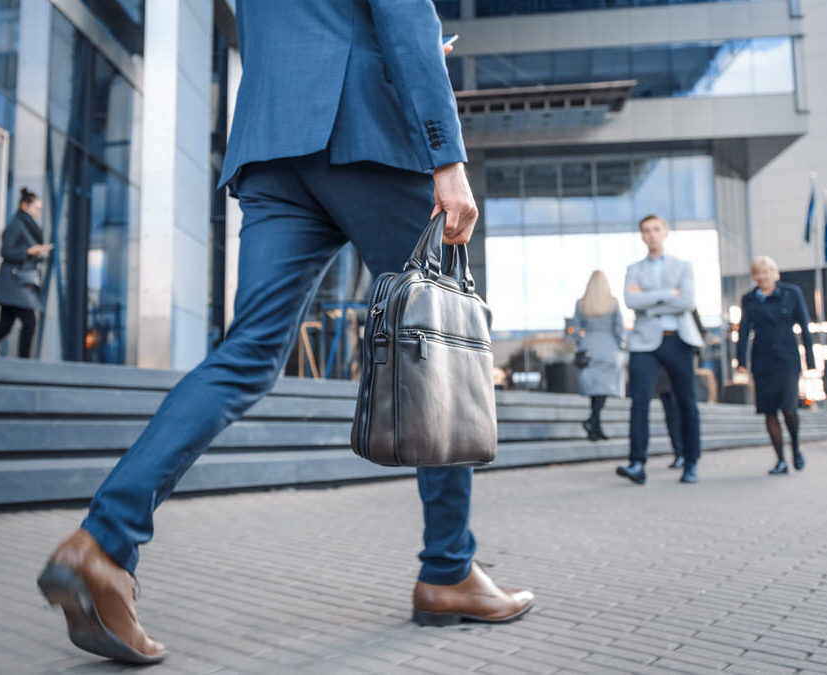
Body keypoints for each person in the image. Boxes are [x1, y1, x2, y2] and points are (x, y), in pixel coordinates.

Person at [35, 2, 533, 665]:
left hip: (273, 145)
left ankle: (101, 541)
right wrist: (448, 157)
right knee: (433, 345)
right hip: (367, 137)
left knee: (245, 354)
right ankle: (447, 570)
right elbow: (405, 18)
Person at [617, 214, 704, 485]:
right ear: (642, 236)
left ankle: (690, 463)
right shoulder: (634, 269)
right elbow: (631, 300)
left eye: (656, 229)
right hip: (644, 343)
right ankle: (636, 463)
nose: (651, 234)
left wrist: (650, 301)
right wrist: (669, 294)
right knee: (639, 402)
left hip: (678, 340)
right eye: (646, 230)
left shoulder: (683, 266)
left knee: (687, 403)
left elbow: (687, 301)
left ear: (665, 232)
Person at [736, 256, 814, 473]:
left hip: (788, 358)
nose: (763, 277)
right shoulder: (749, 299)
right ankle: (780, 459)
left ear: (775, 274)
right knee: (769, 411)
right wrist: (741, 361)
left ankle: (796, 447)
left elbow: (805, 328)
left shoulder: (792, 293)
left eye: (766, 272)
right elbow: (743, 332)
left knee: (789, 408)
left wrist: (811, 360)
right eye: (758, 273)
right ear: (754, 277)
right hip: (762, 360)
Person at [0, 188, 51, 358]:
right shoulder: (17, 224)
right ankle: (23, 362)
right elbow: (6, 251)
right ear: (25, 205)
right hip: (15, 283)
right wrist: (29, 252)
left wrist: (36, 253)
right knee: (28, 322)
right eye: (36, 208)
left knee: (5, 326)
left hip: (18, 283)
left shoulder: (26, 226)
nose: (38, 212)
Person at [571, 270, 624, 441]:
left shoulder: (582, 303)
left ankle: (594, 423)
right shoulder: (613, 303)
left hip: (589, 348)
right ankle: (594, 423)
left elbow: (576, 328)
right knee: (603, 390)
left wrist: (581, 342)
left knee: (595, 390)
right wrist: (620, 345)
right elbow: (619, 329)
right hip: (608, 348)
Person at [654, 368, 686, 468]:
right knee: (672, 418)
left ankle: (682, 454)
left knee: (676, 418)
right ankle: (680, 454)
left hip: (677, 378)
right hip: (665, 381)